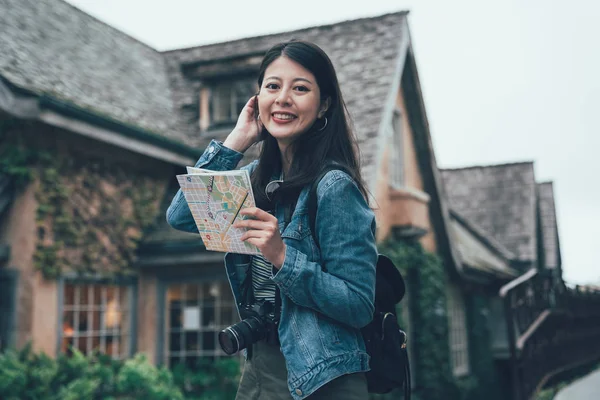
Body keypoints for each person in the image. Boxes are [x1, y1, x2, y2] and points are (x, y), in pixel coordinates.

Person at [166, 39, 377, 400]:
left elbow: (359, 305)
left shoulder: (333, 187)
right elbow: (181, 215)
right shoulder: (253, 179)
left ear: (324, 104)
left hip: (324, 379)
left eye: (300, 88)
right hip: (260, 368)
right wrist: (235, 142)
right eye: (273, 86)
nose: (283, 98)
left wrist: (282, 256)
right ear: (258, 99)